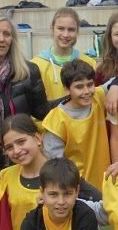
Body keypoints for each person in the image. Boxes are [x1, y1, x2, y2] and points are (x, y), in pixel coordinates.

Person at [0, 11, 50, 171]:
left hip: (19, 157)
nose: (1, 39)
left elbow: (42, 111)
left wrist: (72, 98)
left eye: (6, 34)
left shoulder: (29, 71)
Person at [42, 59, 110, 189]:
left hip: (105, 183)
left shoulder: (98, 97)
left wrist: (116, 88)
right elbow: (56, 164)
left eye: (90, 84)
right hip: (77, 188)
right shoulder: (56, 120)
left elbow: (117, 81)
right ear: (66, 89)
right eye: (79, 87)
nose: (86, 91)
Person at [32, 8, 96, 104]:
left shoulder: (89, 63)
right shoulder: (36, 65)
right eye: (61, 28)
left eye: (71, 30)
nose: (66, 35)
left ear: (77, 31)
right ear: (52, 28)